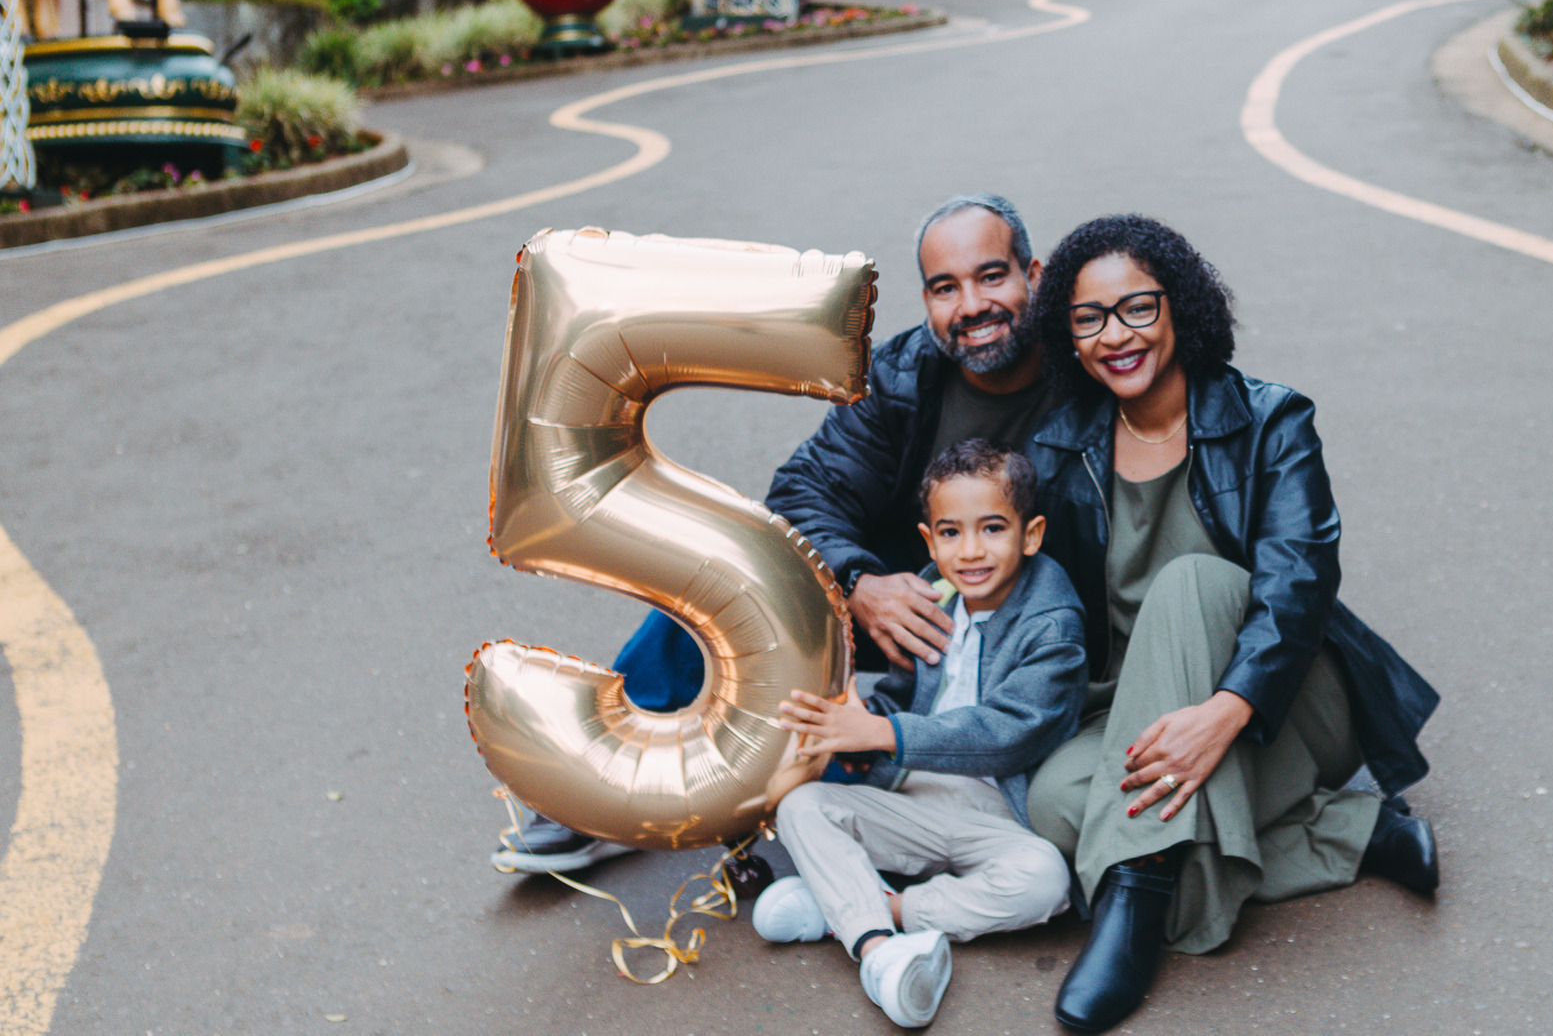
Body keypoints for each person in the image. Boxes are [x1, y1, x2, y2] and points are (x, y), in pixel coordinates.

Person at [490, 194, 1057, 874]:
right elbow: (803, 490)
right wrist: (860, 582)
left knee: (909, 757)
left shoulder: (1083, 371)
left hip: (1026, 617)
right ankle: (605, 784)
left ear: (1034, 275)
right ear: (928, 300)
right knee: (730, 577)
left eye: (991, 276)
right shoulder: (906, 375)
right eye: (946, 288)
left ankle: (818, 799)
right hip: (913, 597)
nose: (971, 305)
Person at [1021, 215, 1441, 1033]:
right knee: (1054, 805)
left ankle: (1137, 891)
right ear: (1069, 335)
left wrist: (1225, 711)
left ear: (1180, 307)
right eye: (1090, 318)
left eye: (1137, 307)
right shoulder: (1062, 447)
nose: (1116, 335)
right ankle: (1356, 835)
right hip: (1141, 707)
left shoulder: (1272, 421)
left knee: (1188, 584)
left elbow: (1298, 584)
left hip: (1286, 700)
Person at [753, 440, 1087, 1028]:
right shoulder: (934, 596)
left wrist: (881, 730)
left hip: (998, 815)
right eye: (951, 533)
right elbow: (903, 696)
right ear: (930, 541)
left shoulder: (1052, 622)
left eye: (992, 529)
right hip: (916, 799)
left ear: (1030, 535)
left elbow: (1010, 732)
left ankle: (869, 912)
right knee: (801, 806)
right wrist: (854, 720)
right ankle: (879, 951)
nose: (971, 551)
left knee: (1044, 880)